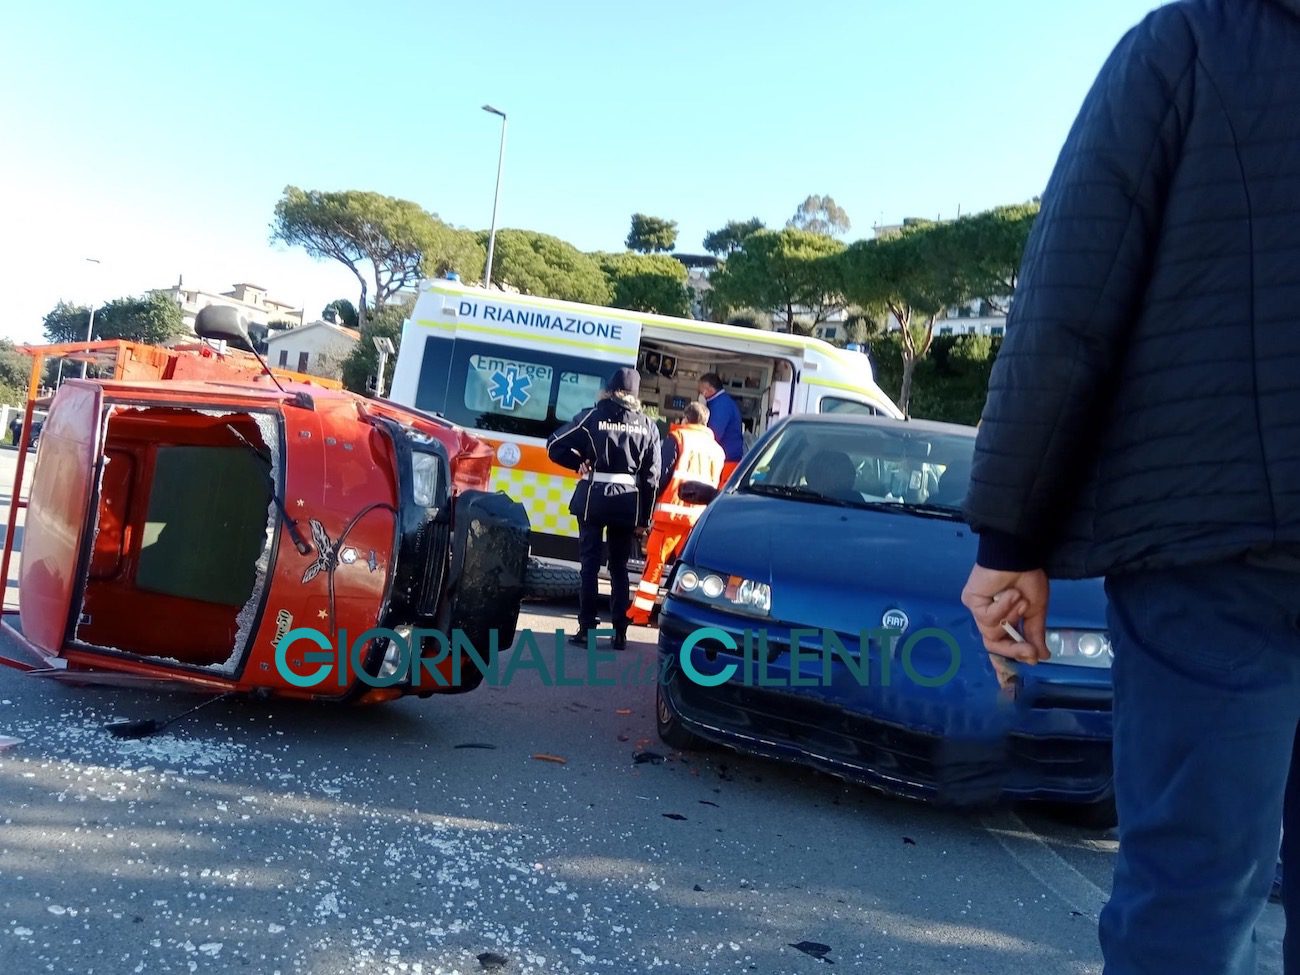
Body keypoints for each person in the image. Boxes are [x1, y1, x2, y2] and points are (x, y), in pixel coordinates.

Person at [958, 3, 1300, 973]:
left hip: (1209, 550)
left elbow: (1068, 306)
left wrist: (1008, 542)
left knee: (1191, 894)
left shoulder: (1190, 46)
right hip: (1210, 546)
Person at [547, 367, 659, 650]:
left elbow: (554, 445)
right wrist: (643, 518)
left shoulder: (591, 416)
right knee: (619, 568)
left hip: (592, 499)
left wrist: (578, 463)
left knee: (589, 564)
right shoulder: (648, 426)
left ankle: (586, 629)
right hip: (627, 503)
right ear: (635, 395)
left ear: (608, 390)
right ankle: (620, 632)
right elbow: (651, 477)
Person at [626, 402, 724, 626]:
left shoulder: (677, 439)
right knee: (692, 571)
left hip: (669, 516)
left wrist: (647, 507)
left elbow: (660, 474)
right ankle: (690, 619)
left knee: (654, 566)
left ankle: (640, 614)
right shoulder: (717, 450)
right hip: (697, 520)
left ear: (684, 418)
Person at [697, 373, 745, 484]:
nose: (700, 393)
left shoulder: (721, 405)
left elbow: (714, 434)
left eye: (700, 391)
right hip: (726, 460)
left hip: (727, 462)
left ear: (708, 390)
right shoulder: (721, 402)